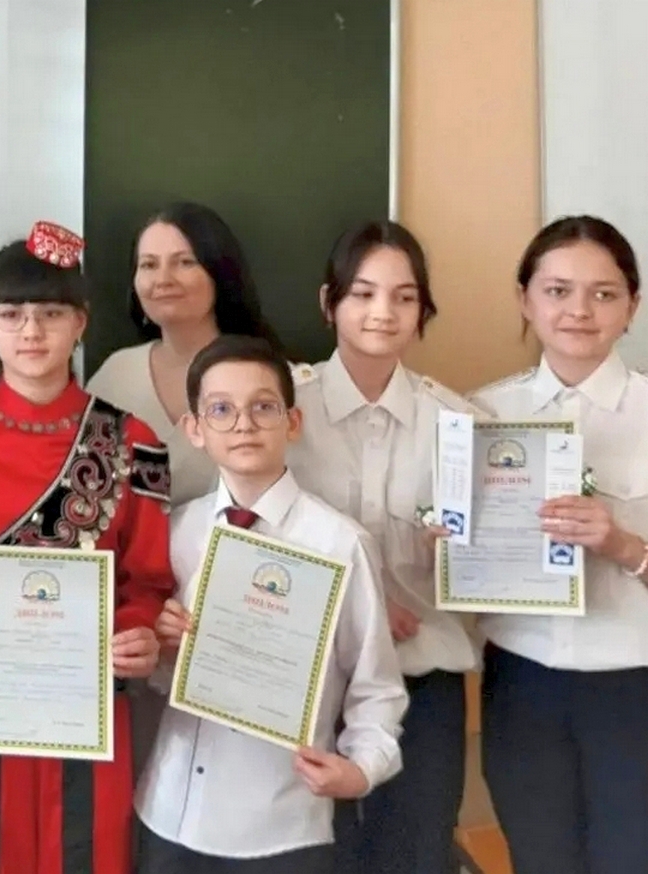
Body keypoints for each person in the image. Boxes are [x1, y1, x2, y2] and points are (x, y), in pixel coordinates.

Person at [0, 222, 174, 874]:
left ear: (80, 322)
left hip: (89, 683)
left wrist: (138, 630)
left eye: (51, 313)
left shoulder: (135, 441)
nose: (31, 331)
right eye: (12, 314)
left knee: (90, 848)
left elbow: (148, 578)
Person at [137, 336, 406, 874]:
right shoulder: (175, 534)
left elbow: (375, 685)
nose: (243, 424)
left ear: (293, 422)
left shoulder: (338, 544)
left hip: (282, 824)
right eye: (221, 410)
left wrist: (362, 770)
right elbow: (157, 680)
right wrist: (160, 649)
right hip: (169, 812)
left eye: (263, 407)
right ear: (195, 429)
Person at [284, 222, 479, 874]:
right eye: (363, 293)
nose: (383, 312)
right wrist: (357, 605)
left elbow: (487, 573)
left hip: (424, 680)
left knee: (417, 855)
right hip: (306, 677)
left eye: (404, 296)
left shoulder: (460, 424)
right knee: (315, 857)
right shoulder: (279, 410)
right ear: (329, 302)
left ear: (423, 309)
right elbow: (246, 536)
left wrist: (461, 558)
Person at [471, 216, 648, 874]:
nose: (579, 310)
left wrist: (623, 544)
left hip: (632, 684)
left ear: (633, 306)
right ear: (525, 299)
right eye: (557, 291)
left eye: (603, 294)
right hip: (522, 682)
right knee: (540, 858)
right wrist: (449, 548)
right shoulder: (480, 416)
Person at [85, 202, 285, 507]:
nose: (163, 279)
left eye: (184, 262)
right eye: (149, 265)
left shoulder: (267, 377)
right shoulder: (115, 375)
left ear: (219, 273)